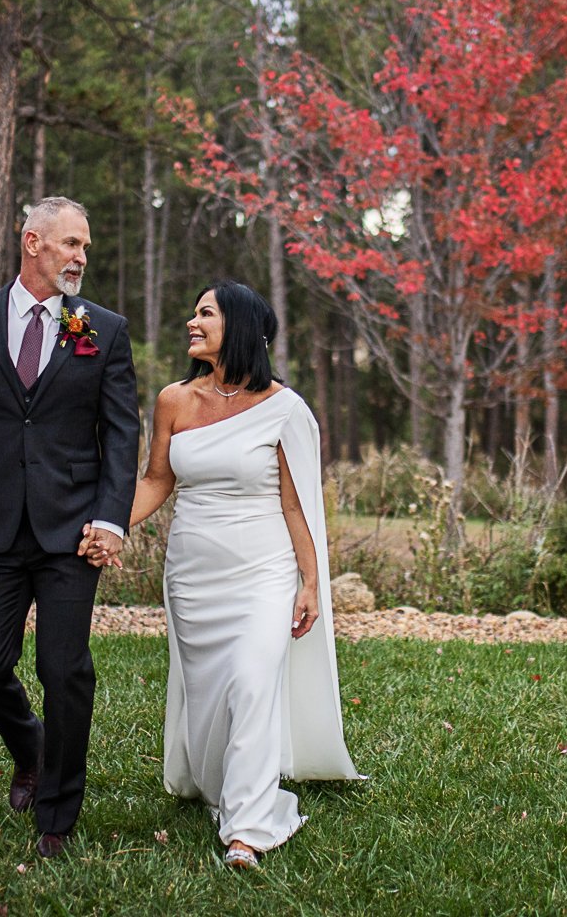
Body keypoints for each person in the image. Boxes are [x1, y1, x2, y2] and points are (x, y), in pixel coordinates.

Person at [0, 196, 139, 859]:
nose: (80, 258)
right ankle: (32, 748)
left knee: (64, 669)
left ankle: (56, 815)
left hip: (72, 529)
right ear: (33, 241)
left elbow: (122, 433)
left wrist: (111, 519)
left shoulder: (98, 328)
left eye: (86, 248)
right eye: (72, 244)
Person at [122, 279, 360, 870]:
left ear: (243, 327)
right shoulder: (174, 400)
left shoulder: (285, 408)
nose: (191, 322)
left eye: (206, 313)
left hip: (264, 569)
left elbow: (295, 503)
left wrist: (309, 581)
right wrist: (107, 523)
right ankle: (217, 784)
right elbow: (156, 480)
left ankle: (247, 829)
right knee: (208, 696)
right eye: (193, 311)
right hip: (193, 572)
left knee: (253, 681)